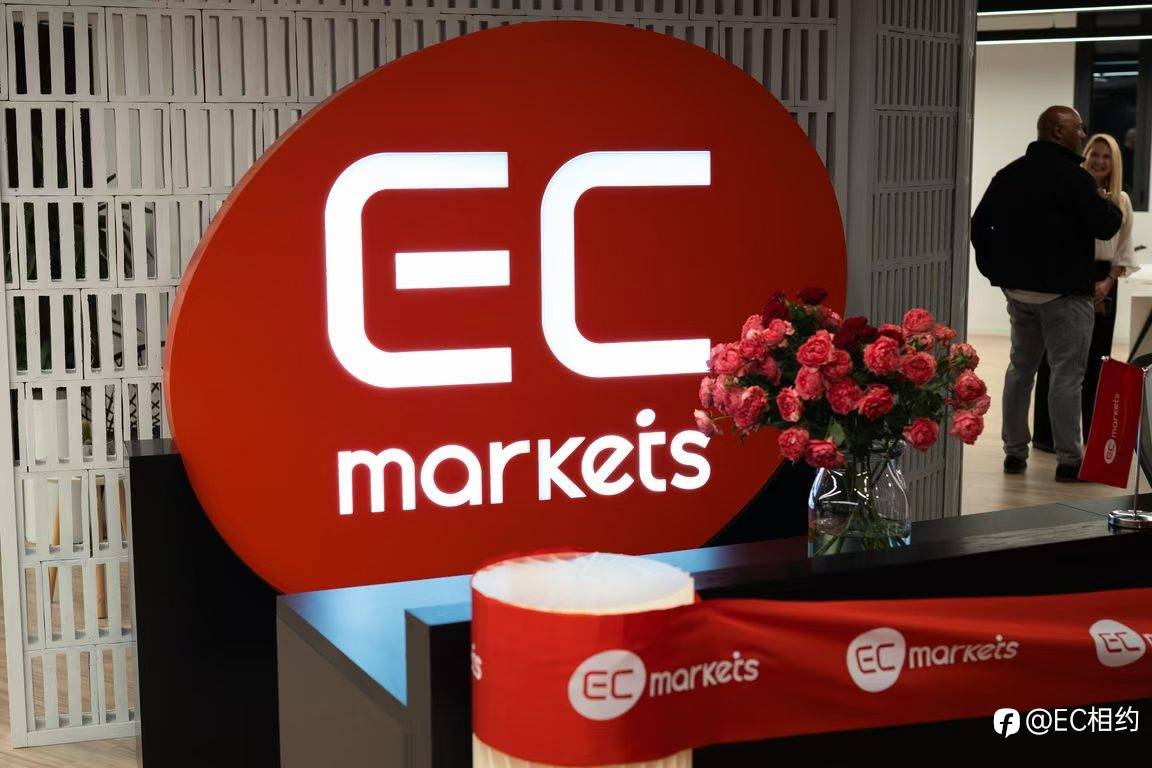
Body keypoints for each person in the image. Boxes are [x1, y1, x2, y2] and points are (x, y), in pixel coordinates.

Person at [971, 106, 1123, 482]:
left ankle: (1014, 453)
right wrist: (1110, 205)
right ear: (1057, 130)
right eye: (1077, 128)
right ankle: (1069, 460)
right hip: (1065, 297)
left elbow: (979, 224)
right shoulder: (1076, 179)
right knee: (1067, 376)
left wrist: (997, 273)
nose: (1082, 135)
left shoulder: (1010, 174)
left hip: (1020, 295)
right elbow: (1106, 227)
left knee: (1020, 370)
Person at [1032, 133, 1139, 453]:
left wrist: (1108, 283)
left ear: (1114, 162)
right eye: (1095, 154)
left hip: (1103, 281)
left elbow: (1123, 249)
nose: (1100, 161)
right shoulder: (1071, 191)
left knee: (1096, 362)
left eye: (1107, 156)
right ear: (1085, 156)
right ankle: (1046, 437)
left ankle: (1092, 435)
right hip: (1067, 279)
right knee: (1055, 359)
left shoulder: (1121, 200)